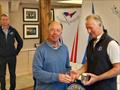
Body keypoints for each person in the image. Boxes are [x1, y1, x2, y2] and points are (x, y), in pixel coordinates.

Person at [71, 15, 120, 90]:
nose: (88, 31)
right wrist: (78, 72)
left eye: (90, 28)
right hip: (90, 87)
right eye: (87, 28)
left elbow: (118, 68)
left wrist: (98, 78)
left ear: (100, 25)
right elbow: (89, 63)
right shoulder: (91, 43)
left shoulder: (111, 44)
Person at [32, 21, 72, 90]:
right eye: (52, 30)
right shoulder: (40, 49)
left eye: (58, 30)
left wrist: (70, 73)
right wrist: (57, 77)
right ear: (48, 31)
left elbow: (67, 67)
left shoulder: (65, 48)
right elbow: (36, 72)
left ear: (61, 33)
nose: (55, 33)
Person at [0, 14, 23, 90]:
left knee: (12, 74)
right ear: (0, 21)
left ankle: (12, 88)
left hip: (12, 57)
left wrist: (16, 52)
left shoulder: (13, 30)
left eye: (6, 19)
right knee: (2, 75)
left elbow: (20, 42)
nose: (5, 21)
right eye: (3, 19)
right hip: (1, 57)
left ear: (8, 20)